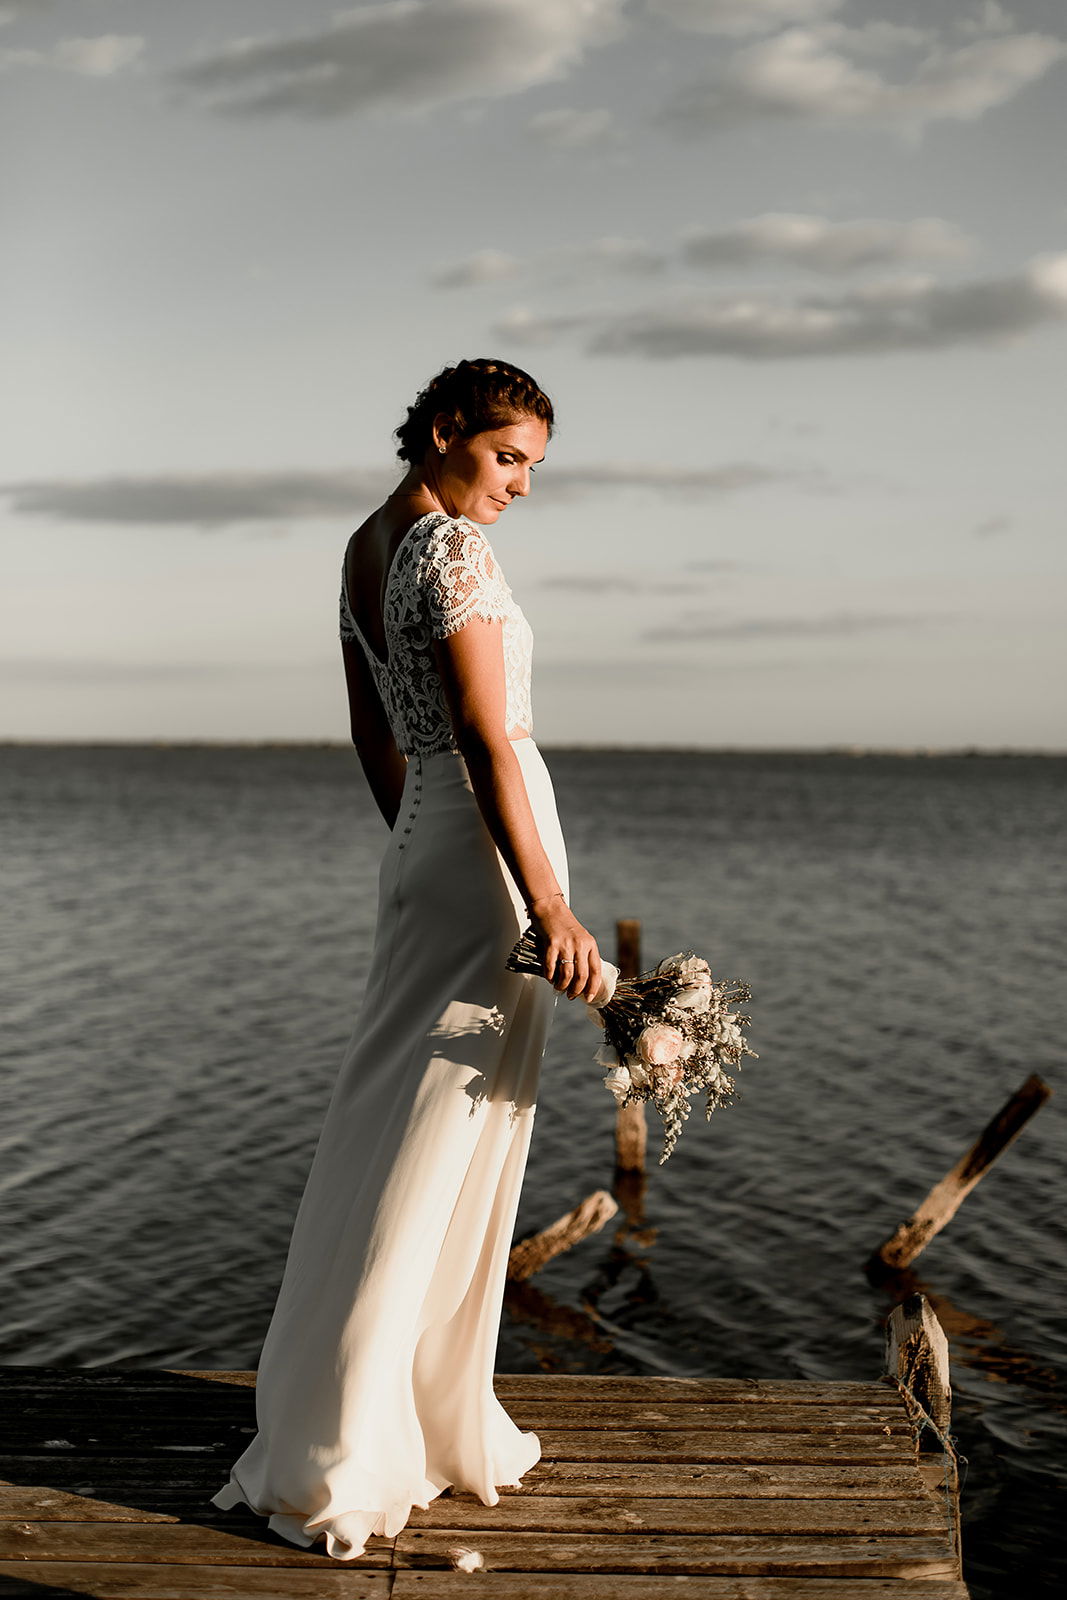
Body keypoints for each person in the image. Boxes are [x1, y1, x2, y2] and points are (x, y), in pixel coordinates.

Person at [209, 357, 602, 1559]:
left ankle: (370, 1411)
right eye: (505, 457)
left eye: (533, 465)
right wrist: (548, 905)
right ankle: (386, 1428)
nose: (521, 486)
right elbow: (486, 735)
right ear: (442, 432)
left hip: (430, 841)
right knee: (451, 1128)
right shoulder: (451, 554)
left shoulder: (364, 547)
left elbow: (376, 729)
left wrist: (415, 846)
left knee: (394, 1116)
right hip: (486, 856)